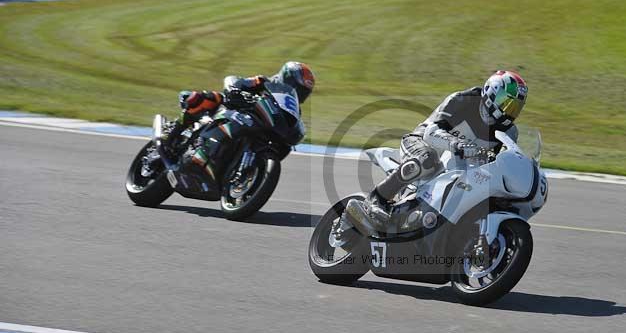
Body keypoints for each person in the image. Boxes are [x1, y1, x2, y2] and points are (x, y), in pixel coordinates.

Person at [345, 70, 528, 235]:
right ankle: (376, 200)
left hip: (456, 165)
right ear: (491, 92)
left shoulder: (508, 132)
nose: (508, 111)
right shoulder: (464, 100)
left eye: (515, 108)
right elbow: (431, 132)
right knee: (428, 159)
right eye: (506, 103)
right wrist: (458, 144)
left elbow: (499, 161)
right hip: (420, 142)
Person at [164, 61, 315, 175]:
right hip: (233, 112)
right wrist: (236, 90)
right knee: (211, 99)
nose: (299, 93)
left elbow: (291, 124)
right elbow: (235, 81)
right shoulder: (264, 83)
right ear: (286, 78)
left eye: (303, 91)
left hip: (256, 128)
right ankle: (172, 136)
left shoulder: (291, 109)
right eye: (297, 87)